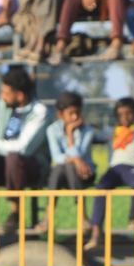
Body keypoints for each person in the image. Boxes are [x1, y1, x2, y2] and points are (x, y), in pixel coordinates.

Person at [0, 67, 52, 234]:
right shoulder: (4, 105)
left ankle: (15, 214)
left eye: (5, 93)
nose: (1, 96)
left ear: (19, 96)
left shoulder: (40, 113)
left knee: (14, 157)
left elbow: (23, 148)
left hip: (32, 167)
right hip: (6, 166)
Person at [85, 97, 134, 251]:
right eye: (120, 113)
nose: (125, 117)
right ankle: (96, 232)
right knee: (101, 187)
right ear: (116, 115)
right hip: (114, 168)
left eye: (129, 113)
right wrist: (88, 126)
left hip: (133, 166)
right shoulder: (110, 132)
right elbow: (95, 137)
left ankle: (133, 218)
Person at [43, 92, 96, 227]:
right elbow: (56, 156)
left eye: (78, 112)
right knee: (61, 167)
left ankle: (82, 217)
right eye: (71, 113)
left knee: (67, 166)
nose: (75, 117)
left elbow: (80, 155)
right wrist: (75, 160)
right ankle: (48, 218)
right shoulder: (52, 130)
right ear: (60, 114)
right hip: (62, 175)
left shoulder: (88, 131)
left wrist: (70, 134)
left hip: (84, 173)